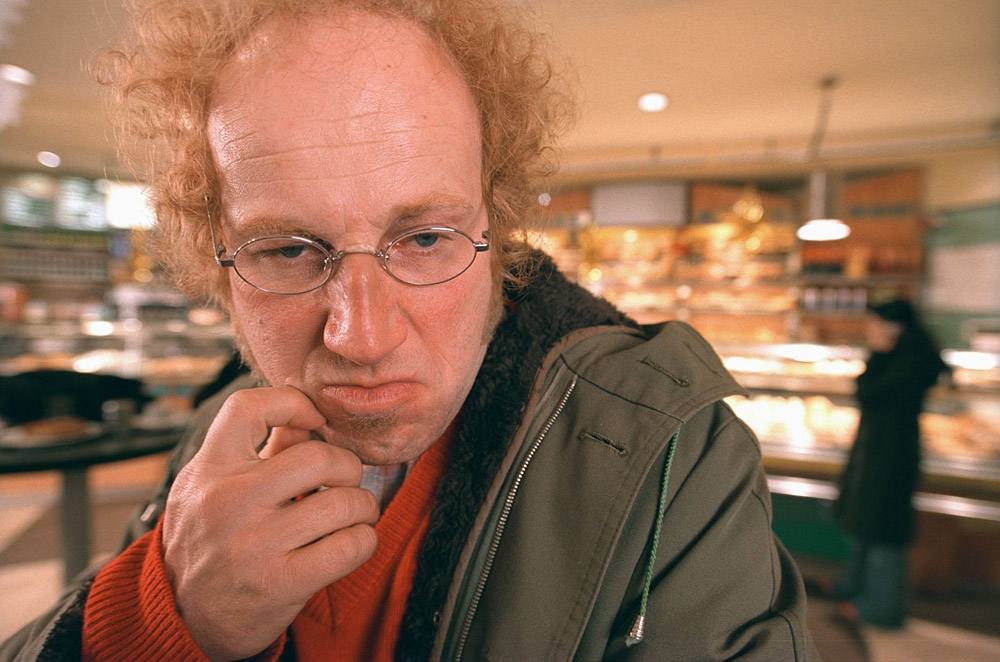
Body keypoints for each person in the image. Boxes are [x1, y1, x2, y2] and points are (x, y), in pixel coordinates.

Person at [1, 0, 817, 659]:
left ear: (493, 228)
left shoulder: (674, 457)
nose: (361, 338)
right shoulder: (223, 435)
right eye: (288, 250)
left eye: (424, 239)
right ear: (215, 258)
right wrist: (165, 613)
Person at [831, 299, 949, 628]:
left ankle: (882, 608)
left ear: (893, 328)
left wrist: (879, 354)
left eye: (874, 325)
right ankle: (858, 589)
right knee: (867, 522)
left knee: (884, 528)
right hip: (880, 452)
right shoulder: (904, 357)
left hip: (892, 456)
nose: (869, 332)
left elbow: (869, 392)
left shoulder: (909, 362)